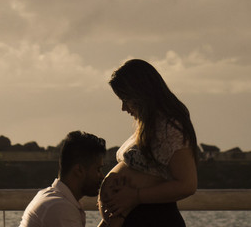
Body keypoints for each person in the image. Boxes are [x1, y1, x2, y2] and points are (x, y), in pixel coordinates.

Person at [97, 59, 200, 227]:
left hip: (154, 219)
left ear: (140, 95)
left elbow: (187, 184)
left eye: (125, 99)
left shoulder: (170, 128)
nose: (123, 108)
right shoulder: (148, 126)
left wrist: (136, 196)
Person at [20, 130, 108, 227]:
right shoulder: (60, 207)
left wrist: (108, 220)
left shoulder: (52, 198)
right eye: (98, 169)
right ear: (79, 170)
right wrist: (118, 219)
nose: (102, 176)